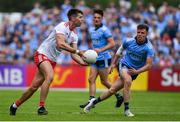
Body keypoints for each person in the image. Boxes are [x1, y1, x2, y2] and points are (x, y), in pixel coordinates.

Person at [9, 9, 88, 116]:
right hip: (42, 54)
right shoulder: (62, 26)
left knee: (33, 87)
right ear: (73, 18)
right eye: (80, 17)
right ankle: (41, 107)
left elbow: (73, 55)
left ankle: (14, 105)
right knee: (50, 76)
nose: (82, 20)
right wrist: (78, 52)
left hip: (52, 60)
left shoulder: (75, 36)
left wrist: (82, 63)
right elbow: (60, 44)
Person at [83, 24, 154, 117]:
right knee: (128, 81)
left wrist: (137, 72)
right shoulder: (129, 41)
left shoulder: (149, 48)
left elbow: (149, 65)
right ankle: (127, 110)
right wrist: (113, 64)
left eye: (142, 33)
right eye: (138, 32)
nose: (140, 34)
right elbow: (120, 50)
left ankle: (92, 103)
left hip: (134, 71)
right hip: (124, 65)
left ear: (146, 34)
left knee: (112, 90)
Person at [79, 9, 123, 109]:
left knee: (104, 81)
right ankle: (91, 100)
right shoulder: (92, 30)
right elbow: (96, 45)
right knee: (91, 79)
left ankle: (119, 96)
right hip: (94, 58)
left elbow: (112, 43)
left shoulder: (105, 30)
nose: (96, 19)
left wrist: (101, 49)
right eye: (95, 17)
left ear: (102, 19)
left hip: (104, 58)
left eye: (98, 18)